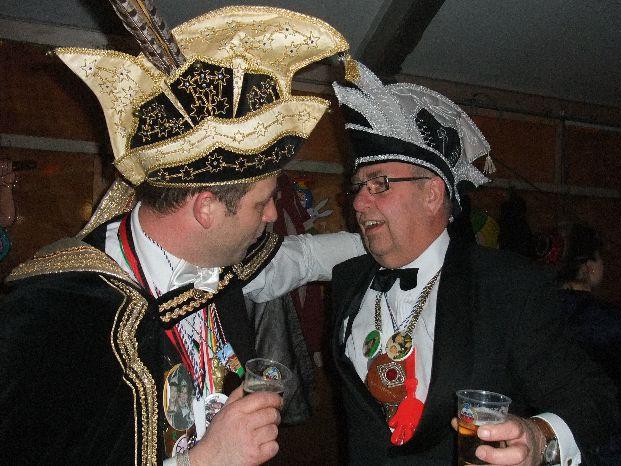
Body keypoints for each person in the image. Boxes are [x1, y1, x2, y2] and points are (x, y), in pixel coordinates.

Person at [0, 5, 364, 465]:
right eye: (262, 203)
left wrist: (396, 246)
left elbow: (300, 259)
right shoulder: (54, 316)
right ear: (205, 208)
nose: (274, 215)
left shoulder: (219, 258)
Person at [329, 61, 620, 465]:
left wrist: (539, 439)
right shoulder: (346, 281)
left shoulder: (508, 285)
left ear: (432, 194)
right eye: (357, 187)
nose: (359, 202)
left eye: (379, 183)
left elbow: (595, 399)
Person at [554, 223, 621, 464]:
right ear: (589, 267)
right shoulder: (616, 322)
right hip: (604, 445)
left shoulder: (537, 313)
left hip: (551, 439)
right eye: (600, 258)